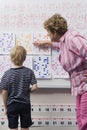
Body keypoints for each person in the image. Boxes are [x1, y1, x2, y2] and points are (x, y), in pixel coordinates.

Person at [34, 13, 87, 130]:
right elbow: (62, 46)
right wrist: (47, 43)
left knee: (85, 121)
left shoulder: (72, 38)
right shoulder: (65, 41)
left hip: (85, 86)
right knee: (80, 120)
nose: (47, 34)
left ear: (54, 32)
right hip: (80, 87)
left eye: (48, 32)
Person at [0, 45, 38, 130]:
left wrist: (5, 107)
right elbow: (35, 87)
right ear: (24, 58)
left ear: (11, 58)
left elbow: (4, 92)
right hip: (25, 104)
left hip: (12, 104)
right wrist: (27, 90)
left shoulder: (7, 74)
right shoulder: (29, 72)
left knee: (13, 127)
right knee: (25, 127)